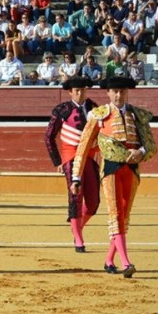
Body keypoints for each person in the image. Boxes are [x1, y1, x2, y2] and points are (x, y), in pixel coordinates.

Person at [70, 76, 157, 278]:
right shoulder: (99, 115)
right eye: (115, 92)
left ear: (127, 93)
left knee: (124, 215)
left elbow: (151, 146)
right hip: (110, 169)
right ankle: (126, 263)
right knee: (115, 213)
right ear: (108, 93)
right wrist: (76, 177)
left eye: (122, 92)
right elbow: (82, 149)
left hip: (132, 170)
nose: (119, 95)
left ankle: (110, 259)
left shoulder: (137, 115)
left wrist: (141, 152)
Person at [44, 77, 100, 253]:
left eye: (82, 89)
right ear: (70, 92)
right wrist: (58, 161)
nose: (80, 93)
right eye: (76, 90)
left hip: (89, 157)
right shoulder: (62, 110)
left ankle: (77, 227)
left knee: (94, 202)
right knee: (75, 196)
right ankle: (78, 237)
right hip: (71, 157)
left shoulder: (94, 107)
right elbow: (49, 137)